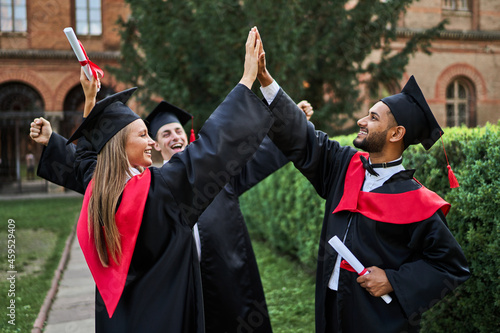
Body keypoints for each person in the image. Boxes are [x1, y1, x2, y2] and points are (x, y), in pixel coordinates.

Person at [41, 28, 273, 333]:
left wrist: (90, 100)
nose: (151, 142)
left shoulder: (100, 192)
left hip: (125, 320)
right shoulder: (162, 190)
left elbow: (86, 160)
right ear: (120, 147)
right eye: (143, 135)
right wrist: (246, 79)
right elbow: (213, 146)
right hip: (169, 317)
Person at [30, 95, 313, 333]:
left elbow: (257, 153)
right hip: (176, 284)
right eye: (165, 134)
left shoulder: (216, 174)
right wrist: (52, 142)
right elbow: (95, 173)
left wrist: (291, 125)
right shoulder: (143, 186)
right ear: (154, 143)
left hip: (223, 276)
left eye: (178, 131)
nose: (174, 137)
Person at [254, 29, 470, 333]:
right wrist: (265, 79)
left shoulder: (418, 201)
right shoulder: (344, 165)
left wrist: (393, 280)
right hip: (331, 309)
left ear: (396, 134)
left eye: (373, 117)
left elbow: (450, 266)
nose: (361, 121)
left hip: (378, 320)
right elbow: (302, 139)